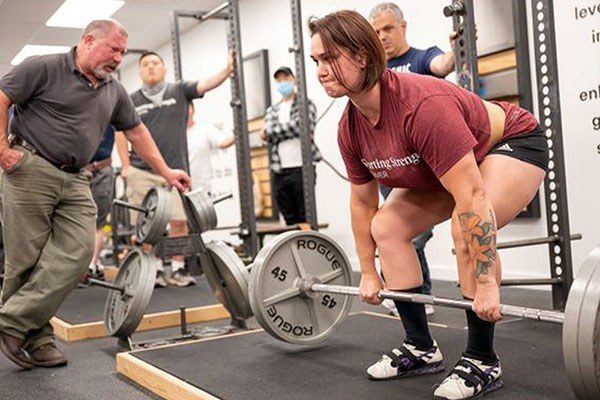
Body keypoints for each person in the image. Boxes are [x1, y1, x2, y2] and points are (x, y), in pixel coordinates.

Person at [309, 10, 547, 399]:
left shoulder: (420, 105)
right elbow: (363, 202)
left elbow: (471, 196)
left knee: (462, 225)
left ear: (362, 56)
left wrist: (487, 283)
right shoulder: (349, 127)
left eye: (330, 58)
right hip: (446, 164)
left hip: (510, 143)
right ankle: (420, 347)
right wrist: (368, 272)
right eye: (316, 60)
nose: (320, 70)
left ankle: (483, 359)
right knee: (386, 227)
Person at [0, 19, 190, 371]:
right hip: (31, 167)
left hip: (77, 177)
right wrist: (2, 150)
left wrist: (165, 171)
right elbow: (2, 97)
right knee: (25, 259)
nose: (118, 58)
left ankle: (10, 320)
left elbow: (136, 131)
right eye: (113, 49)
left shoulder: (112, 90)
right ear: (88, 41)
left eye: (122, 52)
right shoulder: (43, 67)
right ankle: (38, 337)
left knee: (78, 253)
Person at [369, 2, 457, 316]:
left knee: (412, 236)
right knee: (396, 234)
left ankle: (411, 293)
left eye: (388, 29)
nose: (382, 36)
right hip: (390, 170)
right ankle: (420, 296)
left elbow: (442, 65)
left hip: (426, 171)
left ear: (403, 27)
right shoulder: (375, 75)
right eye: (376, 31)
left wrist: (455, 51)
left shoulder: (421, 57)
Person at [116, 51, 233, 288]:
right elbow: (120, 132)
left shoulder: (179, 91)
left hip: (175, 171)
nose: (151, 67)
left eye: (155, 63)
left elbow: (205, 84)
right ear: (140, 71)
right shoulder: (130, 100)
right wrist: (126, 166)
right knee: (148, 225)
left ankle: (177, 269)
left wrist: (227, 70)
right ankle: (154, 271)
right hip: (141, 171)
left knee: (179, 221)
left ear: (164, 68)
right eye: (146, 64)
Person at [260, 66, 321, 225]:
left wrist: (271, 131)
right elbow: (266, 135)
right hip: (279, 170)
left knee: (305, 217)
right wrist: (279, 131)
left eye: (286, 78)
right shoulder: (272, 110)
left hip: (302, 167)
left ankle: (308, 249)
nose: (283, 82)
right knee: (289, 221)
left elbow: (301, 126)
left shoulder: (305, 104)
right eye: (279, 80)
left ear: (294, 79)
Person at [87, 125, 117, 280]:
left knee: (98, 221)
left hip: (101, 169)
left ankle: (91, 264)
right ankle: (89, 263)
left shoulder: (110, 103)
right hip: (76, 170)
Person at [186, 102, 234, 194]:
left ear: (193, 110)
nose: (185, 111)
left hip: (202, 188)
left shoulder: (204, 129)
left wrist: (236, 132)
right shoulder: (175, 134)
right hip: (182, 189)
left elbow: (222, 142)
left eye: (188, 108)